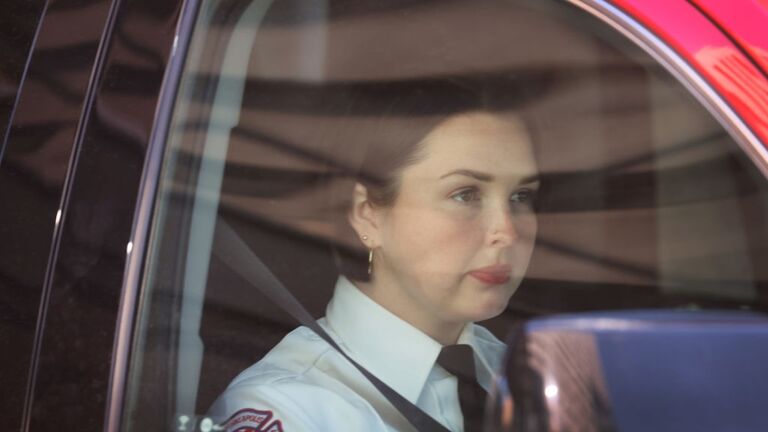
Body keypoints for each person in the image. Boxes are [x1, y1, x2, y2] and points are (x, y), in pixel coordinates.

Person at [208, 84, 540, 432]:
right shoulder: (292, 409)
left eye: (521, 196)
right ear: (367, 214)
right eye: (465, 194)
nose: (507, 232)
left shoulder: (527, 376)